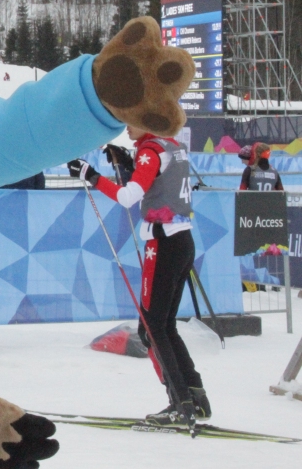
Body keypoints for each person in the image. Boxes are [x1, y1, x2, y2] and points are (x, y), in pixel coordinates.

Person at [69, 126, 209, 427]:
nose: (128, 130)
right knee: (164, 325)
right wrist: (130, 163)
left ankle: (179, 403)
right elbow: (160, 181)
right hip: (183, 241)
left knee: (151, 328)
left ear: (147, 119)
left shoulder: (151, 149)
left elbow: (128, 197)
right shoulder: (171, 145)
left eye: (131, 122)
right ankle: (194, 395)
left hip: (164, 243)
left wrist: (91, 176)